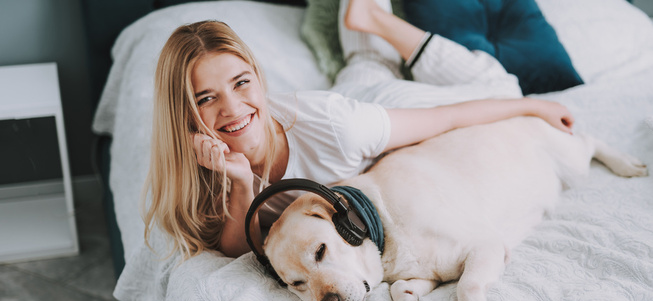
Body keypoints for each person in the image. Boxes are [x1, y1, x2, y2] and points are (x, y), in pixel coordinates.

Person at [143, 0, 575, 260]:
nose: (232, 109)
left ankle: (376, 19)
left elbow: (448, 118)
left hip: (378, 106)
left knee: (501, 85)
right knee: (365, 63)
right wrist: (239, 182)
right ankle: (364, 18)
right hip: (353, 90)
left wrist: (533, 106)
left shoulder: (340, 126)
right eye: (206, 98)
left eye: (241, 83)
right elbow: (235, 249)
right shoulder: (198, 163)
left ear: (258, 77)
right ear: (183, 113)